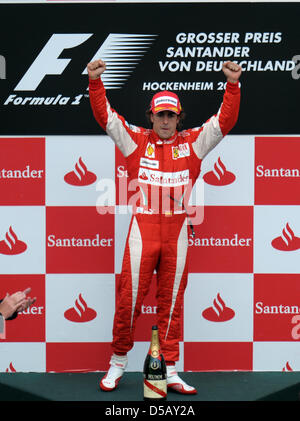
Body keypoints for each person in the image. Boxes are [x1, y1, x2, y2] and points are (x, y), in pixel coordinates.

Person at [87, 59, 242, 394]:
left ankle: (169, 369)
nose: (166, 121)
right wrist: (95, 83)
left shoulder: (193, 143)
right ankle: (117, 363)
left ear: (179, 118)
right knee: (129, 300)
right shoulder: (135, 141)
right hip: (142, 232)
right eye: (161, 115)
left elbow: (224, 122)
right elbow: (107, 118)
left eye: (172, 115)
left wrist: (232, 86)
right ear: (152, 116)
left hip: (177, 235)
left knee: (172, 303)